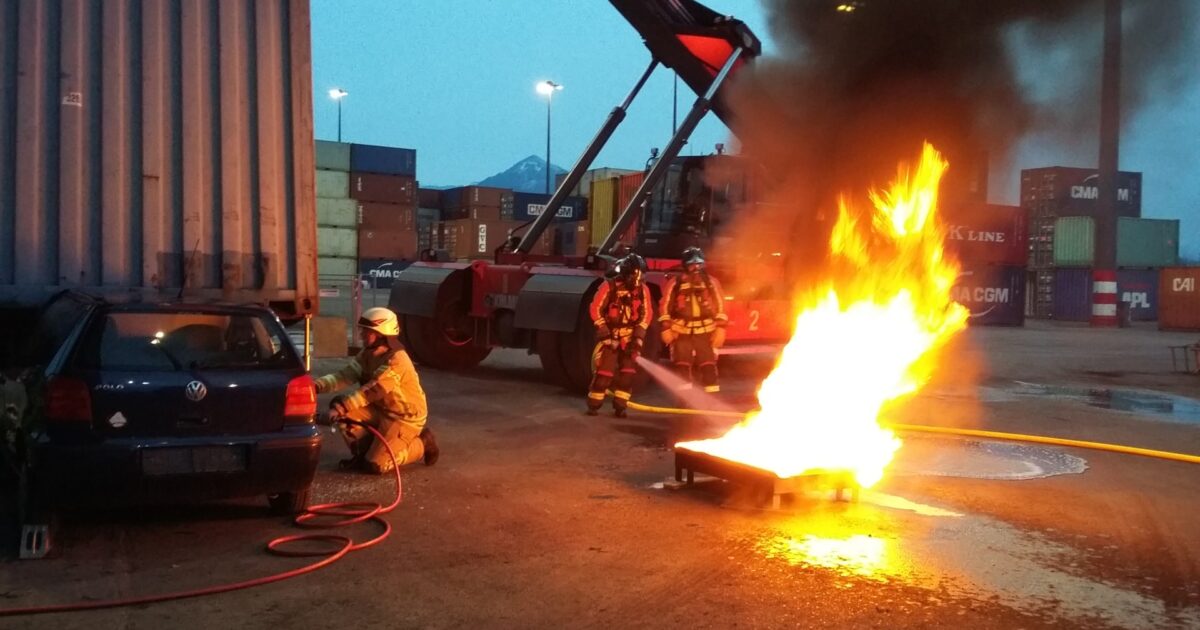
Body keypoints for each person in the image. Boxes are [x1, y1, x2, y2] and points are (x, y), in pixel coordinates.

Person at [314, 307, 439, 473]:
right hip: (380, 409)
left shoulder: (397, 360)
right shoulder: (368, 354)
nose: (362, 335)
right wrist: (315, 386)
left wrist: (341, 408)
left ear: (382, 334)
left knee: (377, 465)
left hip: (403, 418)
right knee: (341, 409)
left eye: (367, 332)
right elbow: (345, 376)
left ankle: (422, 443)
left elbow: (373, 391)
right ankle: (363, 453)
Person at [586, 253, 653, 417]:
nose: (637, 280)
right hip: (612, 337)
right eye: (634, 275)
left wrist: (638, 338)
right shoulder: (609, 286)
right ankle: (594, 405)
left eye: (640, 275)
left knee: (627, 376)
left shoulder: (643, 290)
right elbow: (595, 309)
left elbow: (646, 314)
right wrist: (606, 336)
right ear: (625, 273)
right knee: (604, 374)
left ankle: (620, 407)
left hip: (630, 337)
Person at [659, 246, 727, 393]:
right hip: (682, 332)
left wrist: (720, 328)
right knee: (682, 365)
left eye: (699, 264)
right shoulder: (675, 283)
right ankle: (685, 399)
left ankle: (712, 398)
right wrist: (666, 328)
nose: (696, 268)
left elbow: (720, 304)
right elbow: (665, 305)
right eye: (692, 264)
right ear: (685, 265)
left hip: (705, 331)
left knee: (708, 364)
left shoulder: (710, 282)